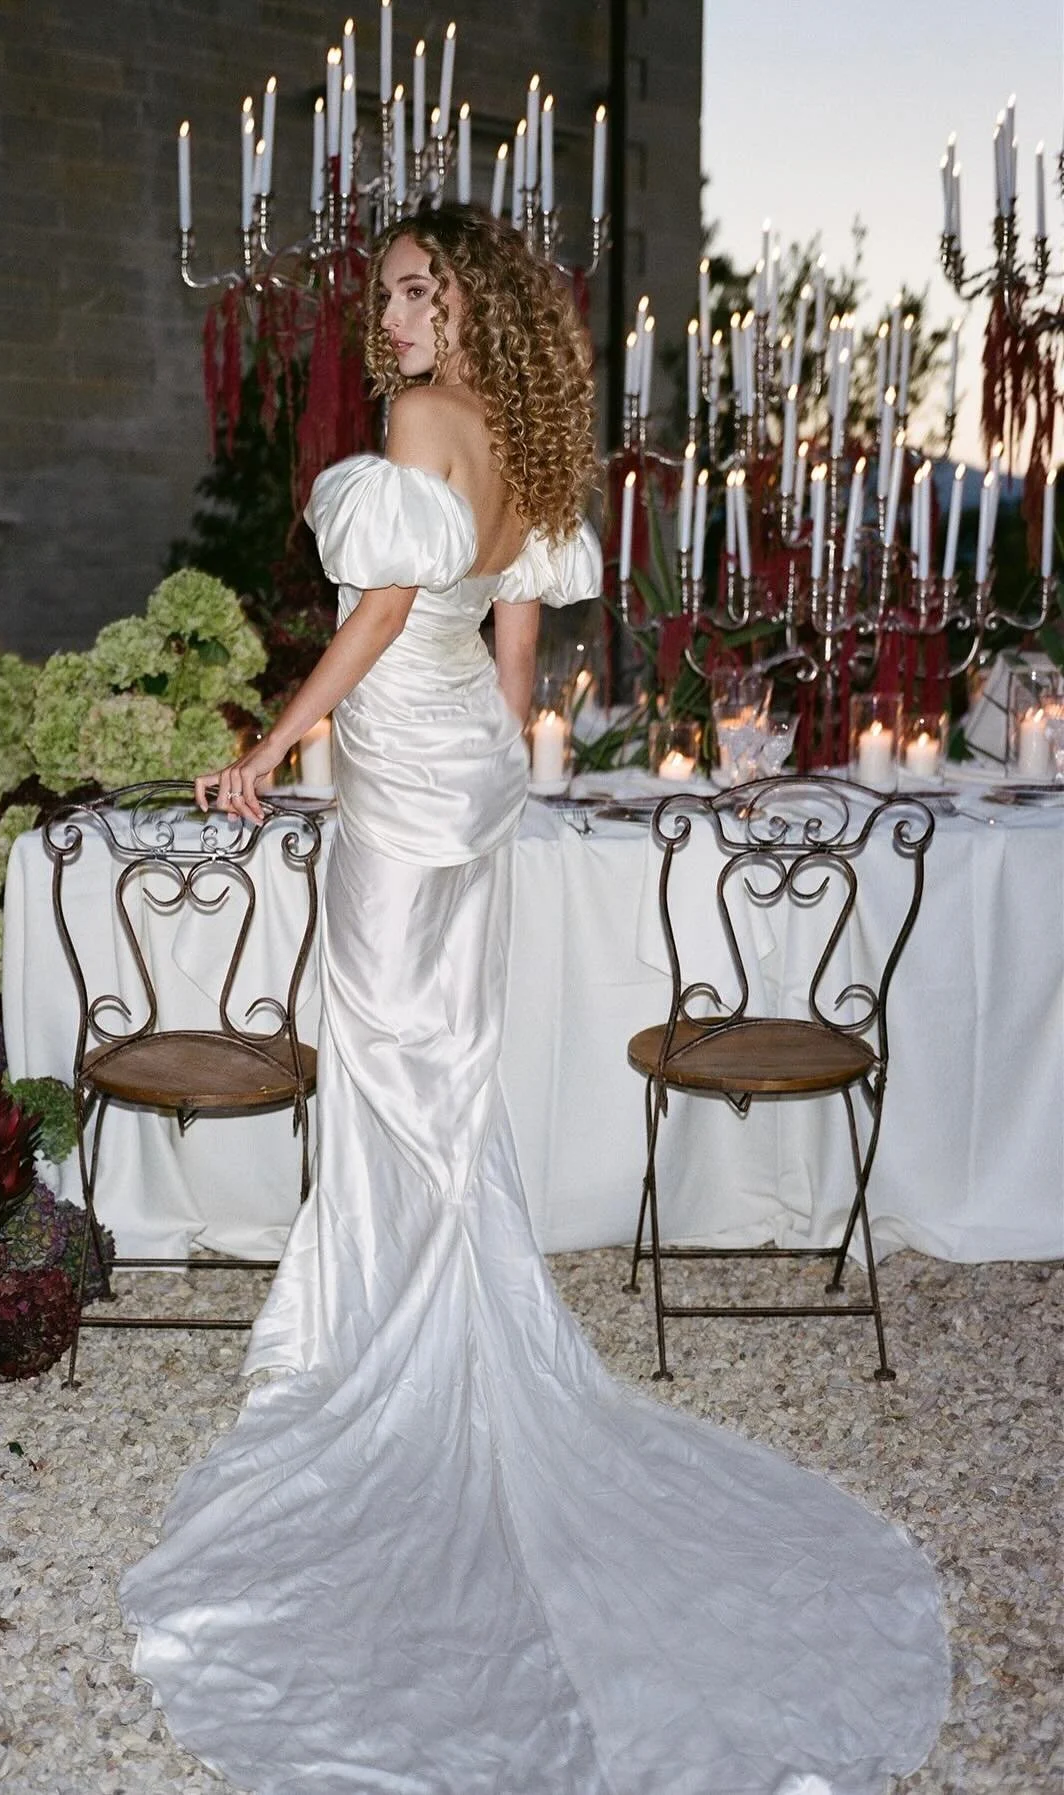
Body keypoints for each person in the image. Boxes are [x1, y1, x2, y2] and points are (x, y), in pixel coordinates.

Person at [120, 205, 949, 1795]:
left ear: (474, 303)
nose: (395, 315)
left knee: (385, 1057)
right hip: (468, 787)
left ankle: (388, 1352)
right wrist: (504, 766)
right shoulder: (515, 437)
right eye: (386, 293)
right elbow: (515, 628)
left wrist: (277, 743)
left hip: (403, 792)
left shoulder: (422, 427)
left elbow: (372, 619)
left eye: (423, 289)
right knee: (437, 1059)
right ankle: (418, 1327)